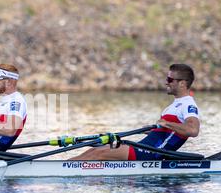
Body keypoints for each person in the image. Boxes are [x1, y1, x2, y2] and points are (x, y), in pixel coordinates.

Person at [70, 64, 200, 161]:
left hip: (152, 153)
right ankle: (64, 166)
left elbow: (193, 130)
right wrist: (151, 130)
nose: (166, 82)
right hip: (145, 147)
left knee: (97, 153)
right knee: (95, 150)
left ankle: (60, 170)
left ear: (182, 84)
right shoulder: (173, 106)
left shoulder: (188, 104)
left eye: (170, 79)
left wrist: (166, 123)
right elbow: (168, 133)